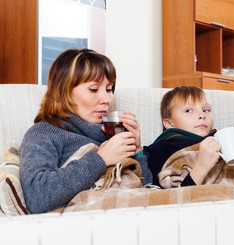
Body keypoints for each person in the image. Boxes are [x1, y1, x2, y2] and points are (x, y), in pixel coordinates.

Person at [20, 48, 152, 214]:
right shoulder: (43, 133)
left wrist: (138, 151)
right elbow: (37, 197)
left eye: (109, 89)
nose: (106, 100)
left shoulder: (112, 133)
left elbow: (147, 188)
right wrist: (101, 158)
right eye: (94, 89)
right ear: (64, 91)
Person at [143, 86, 221, 187]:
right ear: (169, 123)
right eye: (189, 110)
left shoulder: (221, 140)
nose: (202, 115)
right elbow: (164, 198)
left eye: (206, 110)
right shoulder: (159, 150)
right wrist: (201, 167)